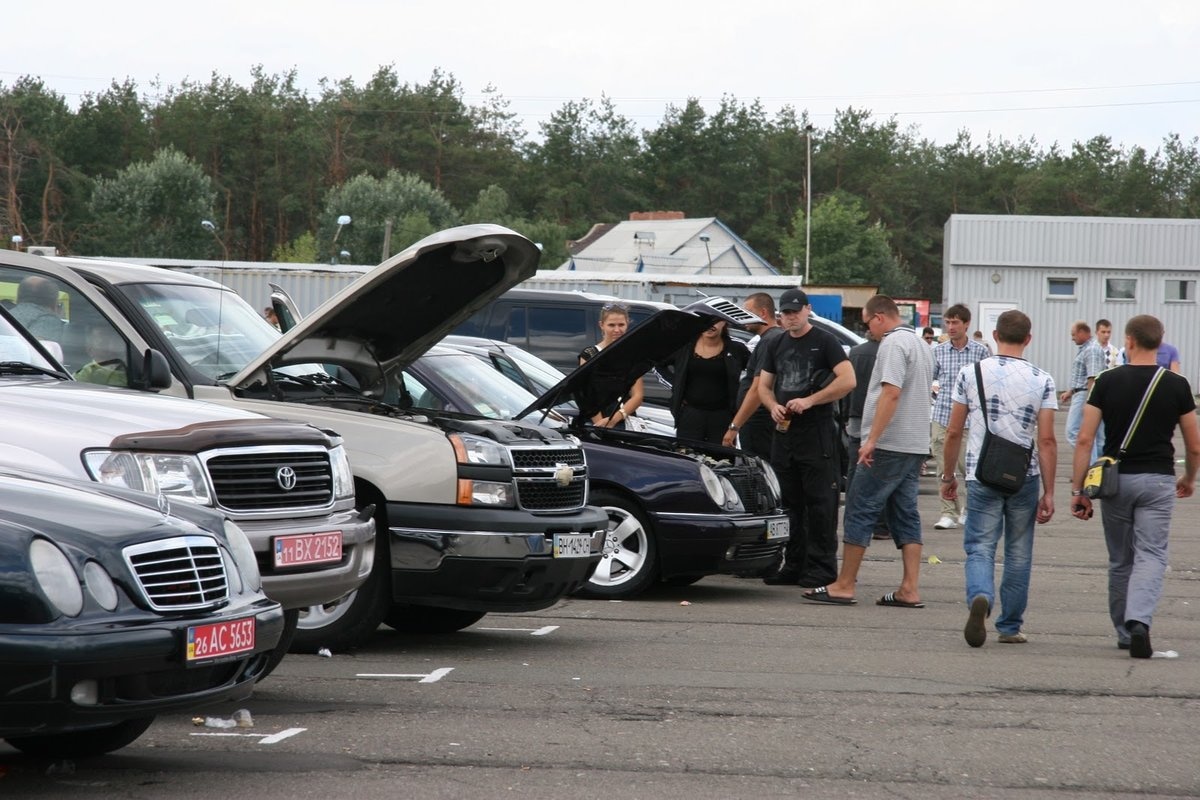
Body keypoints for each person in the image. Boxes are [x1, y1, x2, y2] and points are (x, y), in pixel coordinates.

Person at [1072, 315, 1200, 658]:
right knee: (1152, 553)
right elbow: (1194, 444)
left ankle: (1124, 632)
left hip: (1116, 481)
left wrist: (1079, 490)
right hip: (1158, 481)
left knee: (1120, 559)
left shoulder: (1106, 382)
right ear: (1160, 344)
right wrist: (1188, 478)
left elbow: (1084, 439)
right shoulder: (1177, 385)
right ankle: (1139, 620)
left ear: (1128, 342)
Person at [803, 295, 932, 606]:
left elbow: (891, 393)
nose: (868, 331)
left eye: (867, 323)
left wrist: (871, 438)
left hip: (889, 443)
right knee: (905, 514)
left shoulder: (892, 344)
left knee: (860, 507)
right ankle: (909, 588)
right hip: (914, 442)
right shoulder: (922, 346)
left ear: (879, 317)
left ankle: (844, 584)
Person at [940, 310, 1057, 647]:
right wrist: (1049, 492)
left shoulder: (970, 372)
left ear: (994, 335)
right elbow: (1047, 441)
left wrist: (949, 475)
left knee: (980, 546)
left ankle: (981, 596)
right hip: (1025, 476)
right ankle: (1010, 626)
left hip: (982, 473)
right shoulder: (1042, 379)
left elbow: (953, 431)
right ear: (1029, 338)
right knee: (1019, 553)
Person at [757, 288, 855, 587]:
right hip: (785, 435)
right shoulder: (777, 343)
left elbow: (849, 380)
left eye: (795, 312)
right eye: (786, 313)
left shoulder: (825, 341)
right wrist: (773, 406)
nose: (790, 317)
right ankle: (794, 564)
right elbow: (763, 386)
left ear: (808, 310)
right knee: (789, 504)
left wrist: (811, 400)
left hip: (817, 432)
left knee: (821, 504)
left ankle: (822, 568)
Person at [929, 304, 989, 530]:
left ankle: (970, 508)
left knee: (968, 466)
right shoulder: (938, 351)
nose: (951, 327)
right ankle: (948, 512)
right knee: (943, 466)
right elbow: (930, 378)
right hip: (943, 414)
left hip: (970, 419)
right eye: (948, 322)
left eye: (955, 322)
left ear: (966, 324)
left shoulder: (980, 351)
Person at [660, 316, 749, 443]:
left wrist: (743, 393)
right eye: (705, 320)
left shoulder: (736, 348)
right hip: (690, 415)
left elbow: (756, 374)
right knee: (687, 456)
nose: (710, 325)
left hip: (723, 417)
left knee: (721, 460)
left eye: (715, 321)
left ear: (725, 322)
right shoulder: (684, 346)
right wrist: (676, 385)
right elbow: (658, 364)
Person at [843, 328, 891, 540]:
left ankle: (851, 520)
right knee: (881, 472)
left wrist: (845, 414)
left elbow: (846, 387)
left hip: (856, 416)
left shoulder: (855, 352)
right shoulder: (888, 353)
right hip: (881, 418)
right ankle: (880, 524)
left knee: (855, 470)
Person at [724, 292, 782, 457]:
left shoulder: (769, 341)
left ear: (763, 313)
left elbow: (758, 388)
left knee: (759, 470)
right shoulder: (770, 338)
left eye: (747, 312)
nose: (743, 317)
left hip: (759, 422)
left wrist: (734, 427)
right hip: (759, 422)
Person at [578, 303, 644, 429]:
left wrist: (614, 419)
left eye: (621, 325)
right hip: (597, 420)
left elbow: (638, 395)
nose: (617, 330)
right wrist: (600, 423)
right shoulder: (589, 354)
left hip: (625, 418)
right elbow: (586, 395)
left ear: (627, 324)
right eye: (611, 325)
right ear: (601, 325)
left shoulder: (633, 354)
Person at [1061, 320, 1105, 462]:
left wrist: (1090, 402)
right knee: (1098, 438)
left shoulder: (1091, 350)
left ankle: (1091, 467)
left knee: (1073, 432)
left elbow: (1093, 377)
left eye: (1073, 334)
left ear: (1082, 332)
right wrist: (1070, 392)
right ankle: (1099, 470)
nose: (1072, 338)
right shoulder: (1088, 349)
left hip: (1085, 395)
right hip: (1081, 392)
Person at [9, 275, 65, 342]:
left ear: (19, 297)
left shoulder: (6, 315)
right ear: (54, 301)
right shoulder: (47, 320)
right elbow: (40, 348)